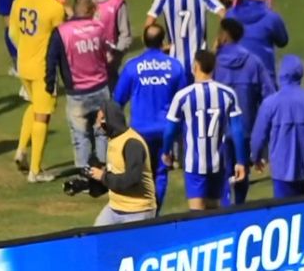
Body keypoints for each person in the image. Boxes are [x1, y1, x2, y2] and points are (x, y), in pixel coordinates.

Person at [113, 23, 186, 212]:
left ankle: (141, 212)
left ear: (144, 41)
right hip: (166, 130)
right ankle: (155, 211)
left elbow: (118, 100)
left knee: (141, 173)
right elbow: (184, 100)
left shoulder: (133, 67)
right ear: (163, 41)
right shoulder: (175, 66)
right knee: (161, 173)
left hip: (139, 131)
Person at [162, 50, 247, 211]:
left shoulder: (182, 96)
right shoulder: (228, 94)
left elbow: (170, 130)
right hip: (218, 163)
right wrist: (241, 161)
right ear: (214, 67)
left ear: (195, 66)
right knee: (214, 209)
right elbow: (237, 130)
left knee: (197, 213)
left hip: (194, 165)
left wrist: (166, 151)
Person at [9, 0, 66, 183]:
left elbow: (13, 34)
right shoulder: (55, 7)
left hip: (23, 65)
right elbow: (61, 40)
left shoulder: (19, 0)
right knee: (43, 115)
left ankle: (21, 150)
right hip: (43, 69)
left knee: (34, 106)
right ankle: (35, 171)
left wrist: (26, 49)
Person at [251, 55, 304, 198]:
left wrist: (256, 157)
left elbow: (258, 135)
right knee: (300, 207)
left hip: (280, 170)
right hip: (303, 169)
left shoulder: (270, 103)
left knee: (283, 208)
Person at [213, 18, 275, 205]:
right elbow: (269, 96)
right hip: (246, 127)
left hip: (217, 129)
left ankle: (226, 207)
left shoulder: (213, 62)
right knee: (242, 172)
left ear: (223, 35)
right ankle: (239, 205)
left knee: (223, 172)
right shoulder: (254, 62)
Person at [46, 0, 111, 169]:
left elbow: (51, 60)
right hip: (101, 88)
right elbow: (106, 55)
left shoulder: (61, 32)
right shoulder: (99, 27)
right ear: (90, 9)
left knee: (81, 136)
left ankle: (84, 173)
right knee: (102, 132)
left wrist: (50, 85)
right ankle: (103, 171)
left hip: (77, 93)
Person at [145, 0, 226, 83]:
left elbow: (148, 26)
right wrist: (217, 43)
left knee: (178, 95)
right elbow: (225, 16)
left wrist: (161, 47)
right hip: (200, 61)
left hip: (174, 62)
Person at [88, 102, 157, 226]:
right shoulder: (113, 140)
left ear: (109, 120)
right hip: (115, 207)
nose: (97, 125)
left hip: (138, 210)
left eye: (100, 120)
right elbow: (115, 175)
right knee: (96, 236)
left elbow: (131, 179)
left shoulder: (132, 144)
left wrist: (103, 176)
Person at [226, 0, 287, 81]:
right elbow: (282, 41)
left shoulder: (231, 14)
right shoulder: (272, 18)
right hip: (264, 78)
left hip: (237, 77)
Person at [84, 0, 132, 90]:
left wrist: (115, 56)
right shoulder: (84, 2)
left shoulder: (117, 2)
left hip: (109, 67)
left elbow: (125, 35)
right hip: (87, 67)